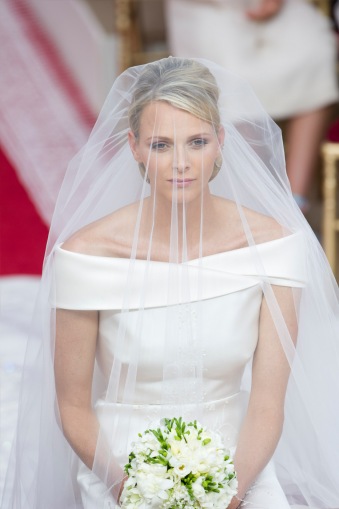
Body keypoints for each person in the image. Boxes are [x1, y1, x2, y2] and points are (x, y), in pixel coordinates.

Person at [2, 57, 339, 509]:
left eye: (197, 142)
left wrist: (229, 494)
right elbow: (73, 407)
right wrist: (133, 489)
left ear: (220, 142)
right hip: (118, 465)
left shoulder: (273, 246)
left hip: (240, 461)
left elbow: (266, 405)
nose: (181, 163)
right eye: (161, 145)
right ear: (134, 147)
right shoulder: (87, 254)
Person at [165, 0, 339, 212]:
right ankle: (255, 204)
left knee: (316, 51)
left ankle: (294, 203)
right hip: (207, 7)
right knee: (235, 77)